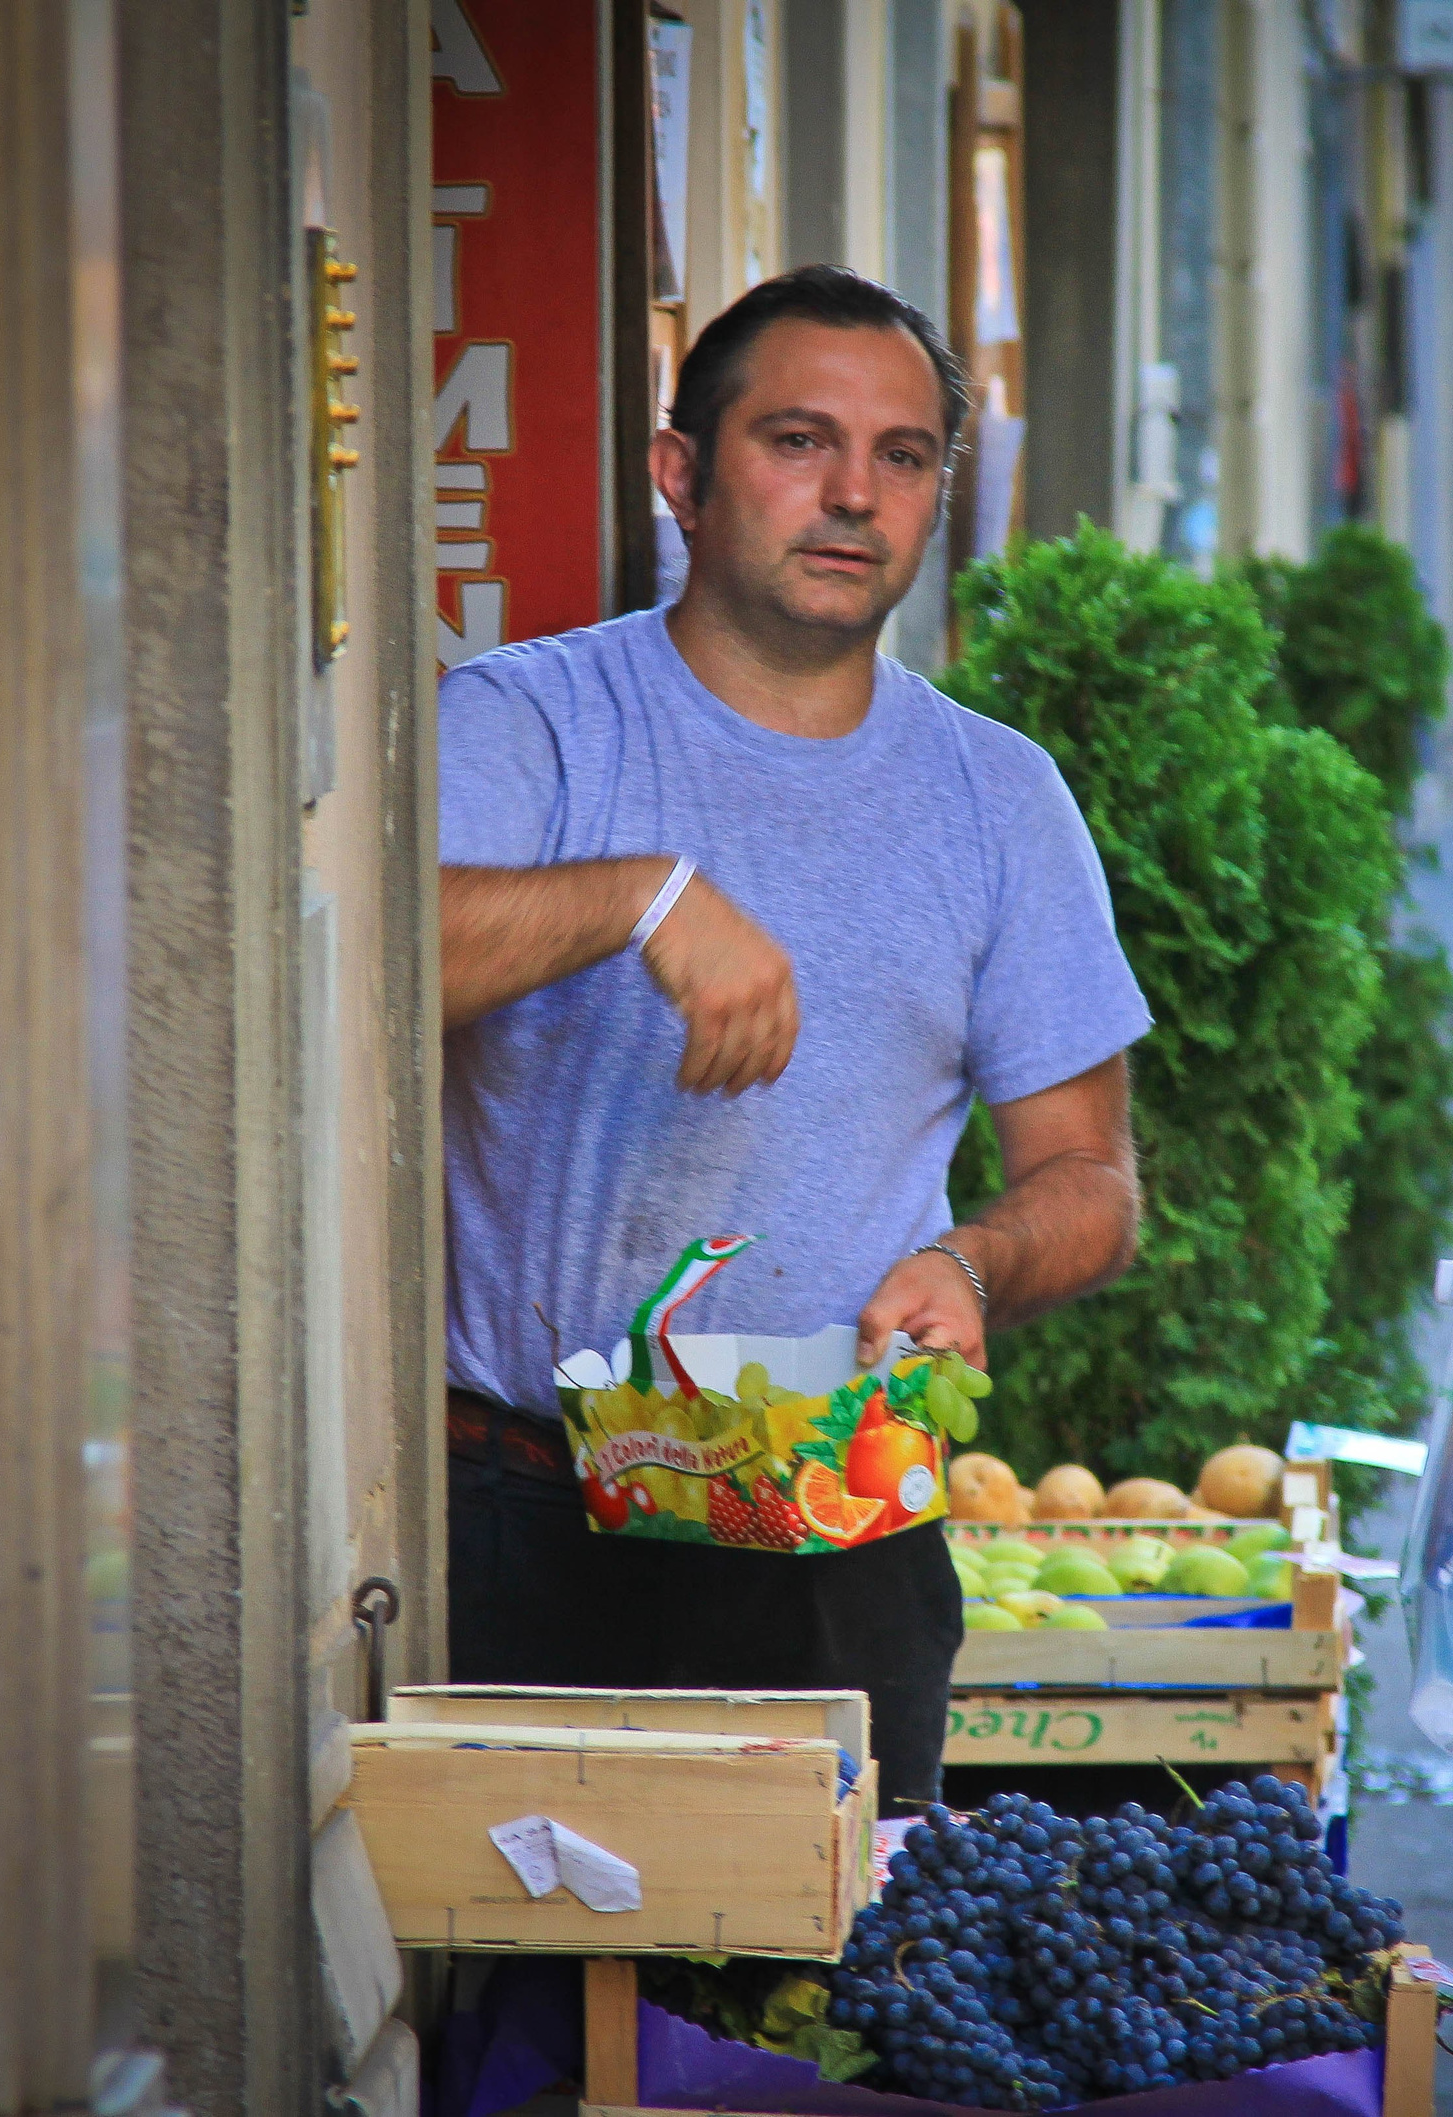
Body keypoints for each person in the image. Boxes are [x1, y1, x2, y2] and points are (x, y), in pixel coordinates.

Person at [437, 266, 1152, 1808]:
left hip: (836, 1535)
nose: (852, 495)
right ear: (681, 471)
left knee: (806, 2031)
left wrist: (976, 1263)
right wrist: (635, 899)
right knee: (517, 2023)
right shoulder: (530, 722)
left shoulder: (998, 799)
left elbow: (1090, 1176)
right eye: (798, 441)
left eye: (902, 458)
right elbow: (376, 965)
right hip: (523, 1522)